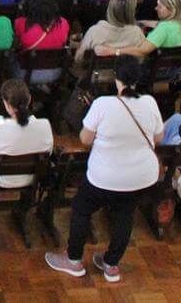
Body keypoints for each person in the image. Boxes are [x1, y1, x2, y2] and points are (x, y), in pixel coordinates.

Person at [45, 58, 162, 284]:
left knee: (81, 209)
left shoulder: (103, 104)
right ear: (138, 79)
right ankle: (111, 264)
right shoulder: (149, 102)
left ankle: (74, 260)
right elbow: (158, 138)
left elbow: (84, 139)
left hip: (104, 176)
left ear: (115, 77)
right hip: (141, 176)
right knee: (125, 215)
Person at [0, 78, 54, 188]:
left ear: (6, 103)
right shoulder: (45, 125)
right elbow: (48, 154)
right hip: (31, 179)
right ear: (30, 99)